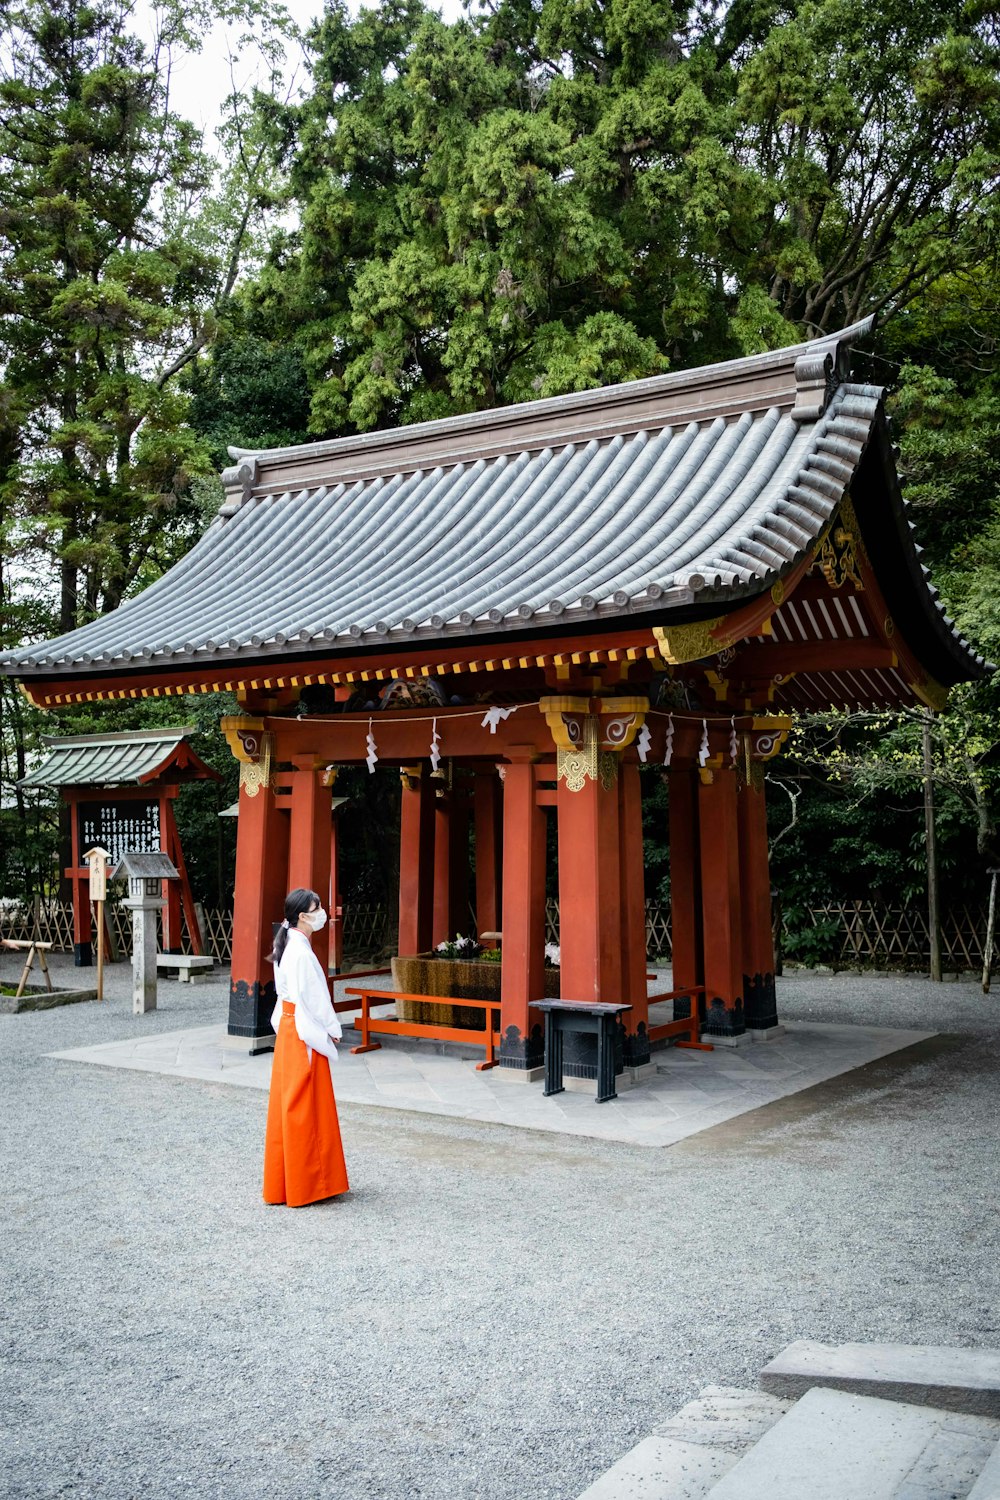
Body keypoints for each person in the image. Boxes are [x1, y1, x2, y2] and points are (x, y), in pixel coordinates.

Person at [263, 887, 350, 1207]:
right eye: (318, 908)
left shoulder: (286, 944)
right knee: (306, 1106)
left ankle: (287, 1182)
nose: (322, 913)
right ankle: (310, 1183)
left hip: (289, 1027)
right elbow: (313, 996)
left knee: (290, 1104)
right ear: (303, 915)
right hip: (301, 1030)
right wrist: (332, 1028)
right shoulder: (299, 950)